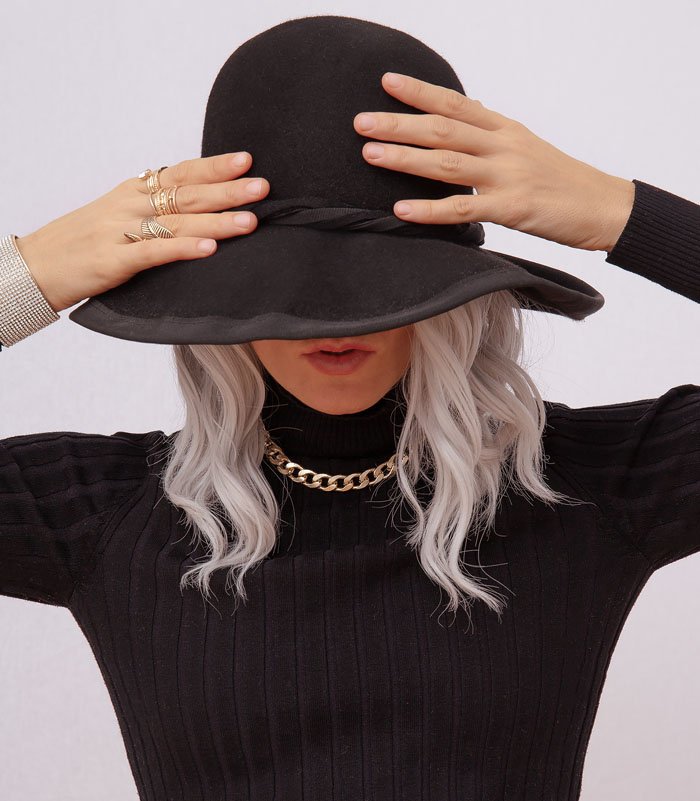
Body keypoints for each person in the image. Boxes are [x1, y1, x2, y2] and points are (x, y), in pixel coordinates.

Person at [1, 26, 699, 801]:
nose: (332, 319)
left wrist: (621, 213)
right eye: (286, 279)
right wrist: (26, 276)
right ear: (220, 278)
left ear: (450, 288)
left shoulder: (580, 487)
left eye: (378, 281)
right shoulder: (108, 514)